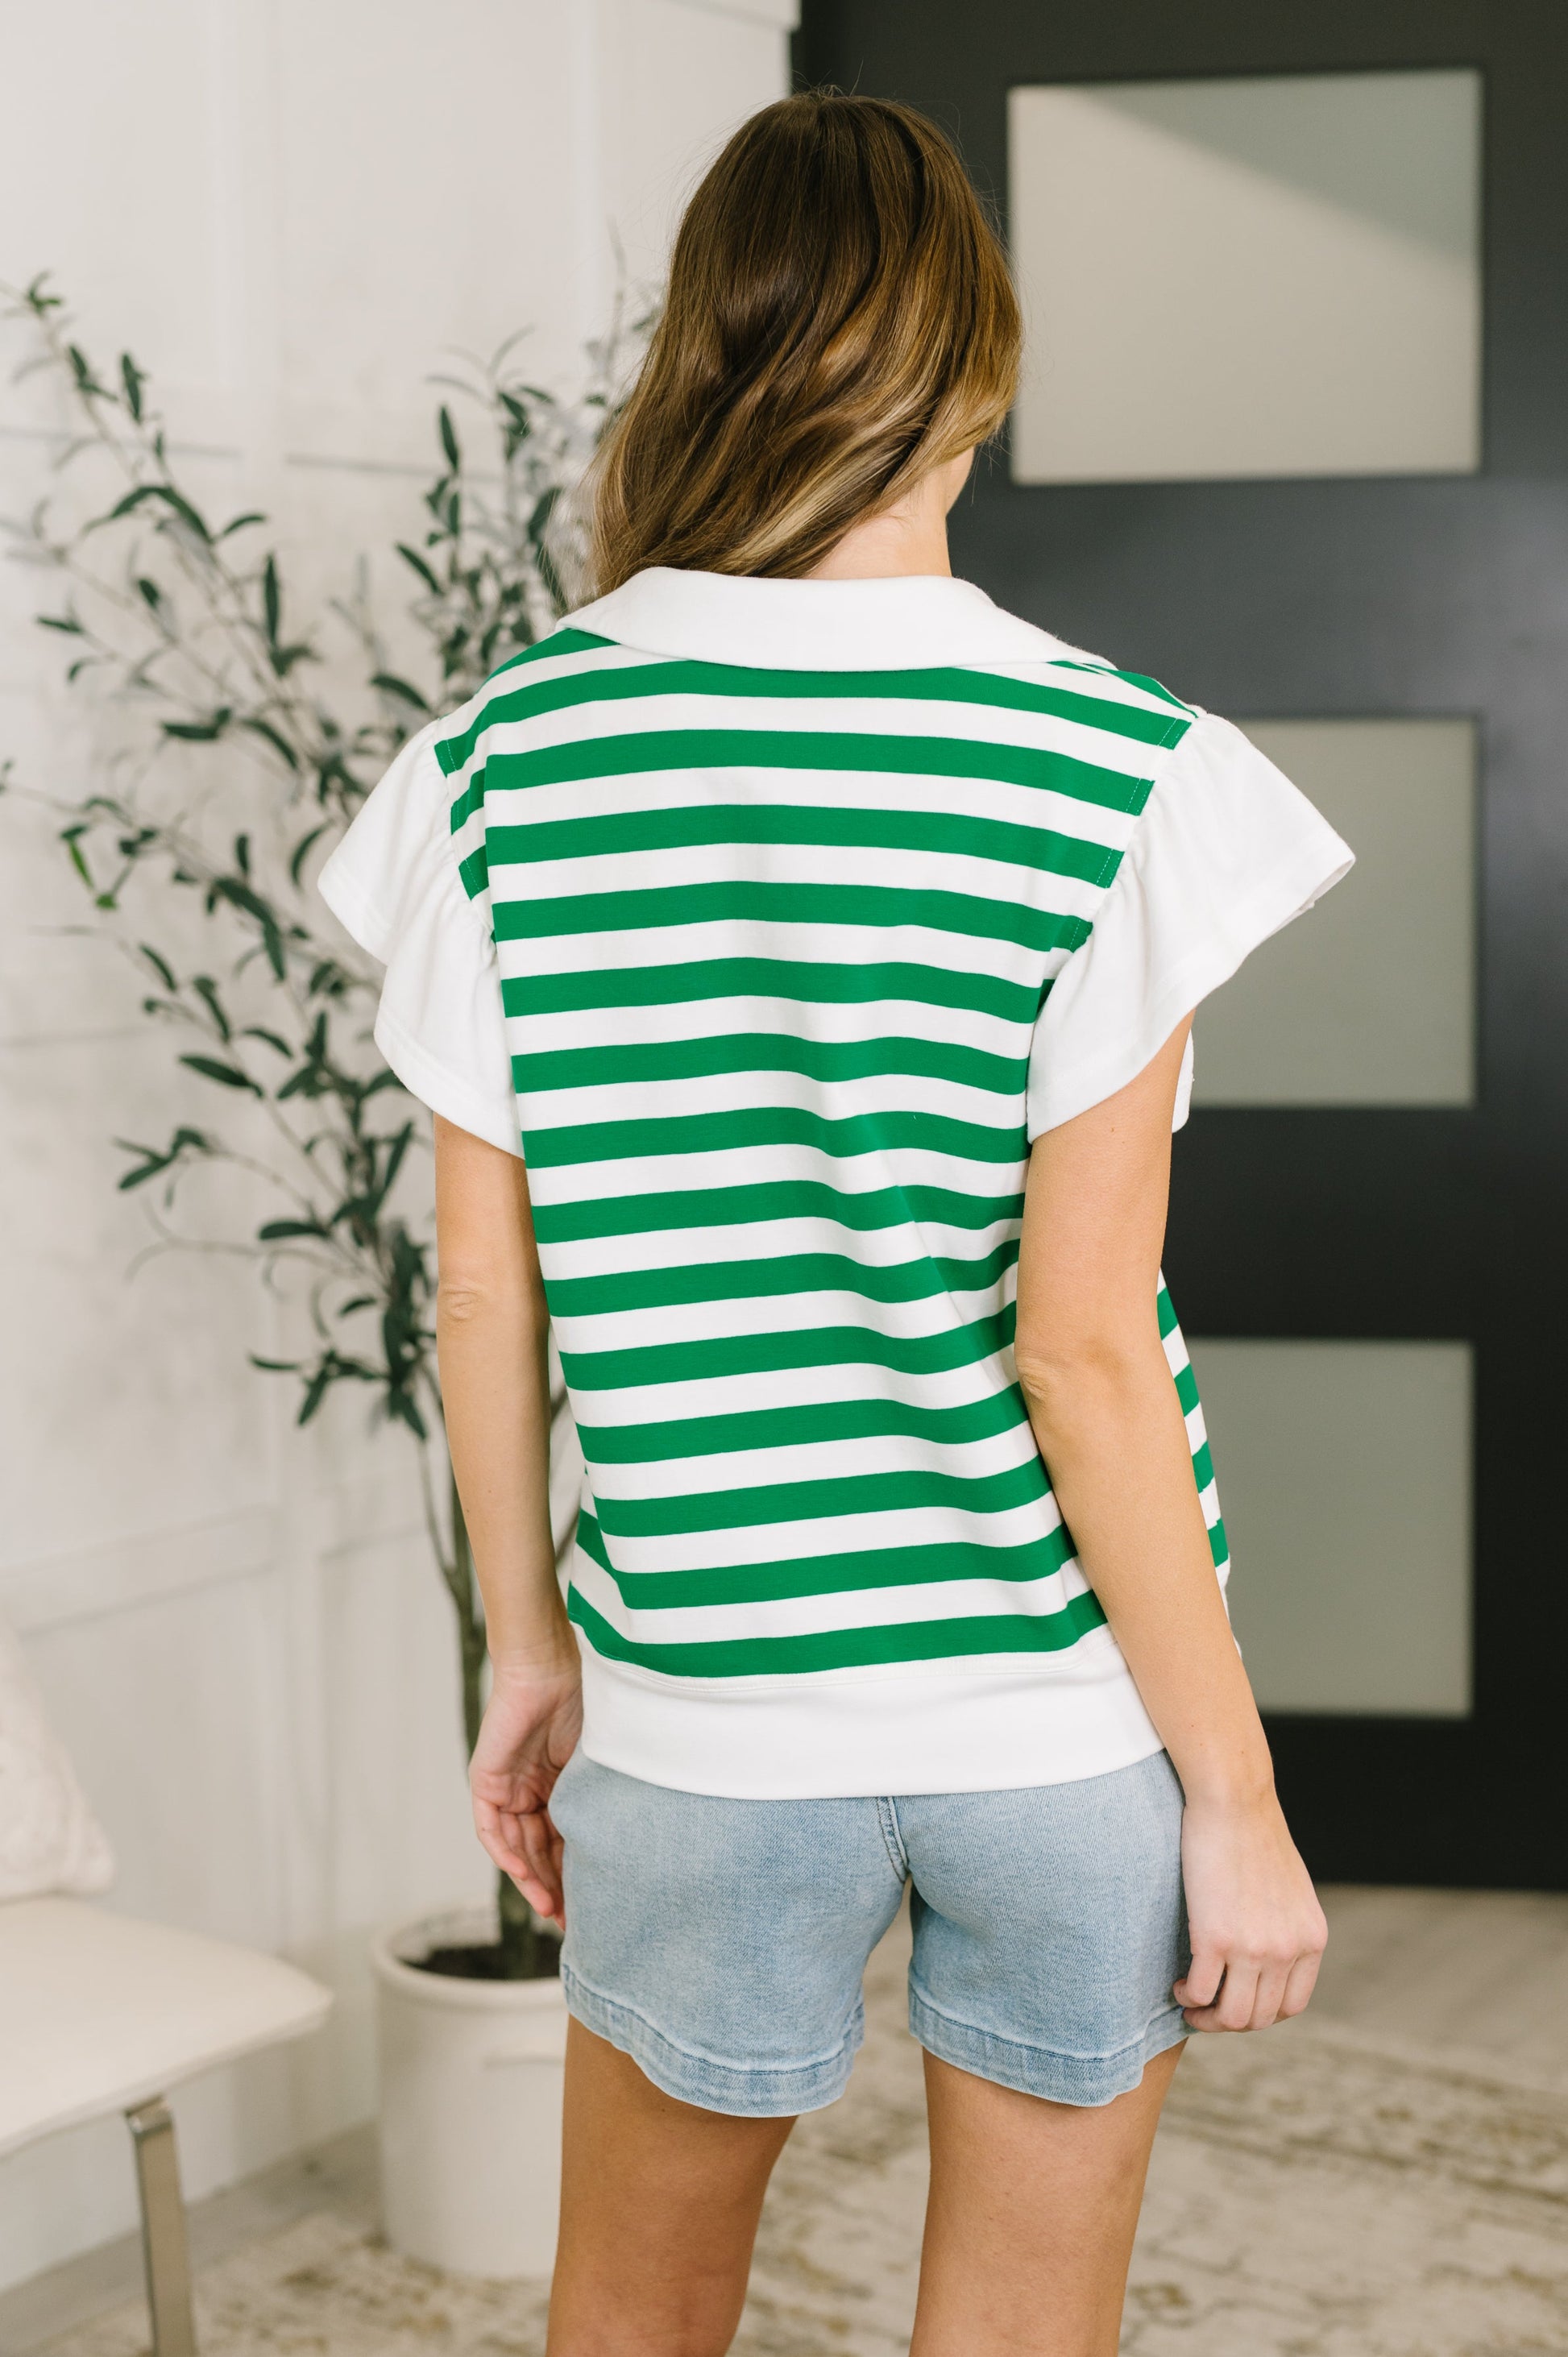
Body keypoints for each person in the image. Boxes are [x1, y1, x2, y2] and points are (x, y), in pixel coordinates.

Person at [321, 89, 1350, 2357]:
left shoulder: (503, 767)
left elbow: (479, 1287)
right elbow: (1083, 1349)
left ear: (705, 355)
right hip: (1054, 1715)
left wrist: (528, 1653)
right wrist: (1237, 1791)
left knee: (633, 2312)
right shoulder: (1114, 767)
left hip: (700, 1719)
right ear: (972, 370)